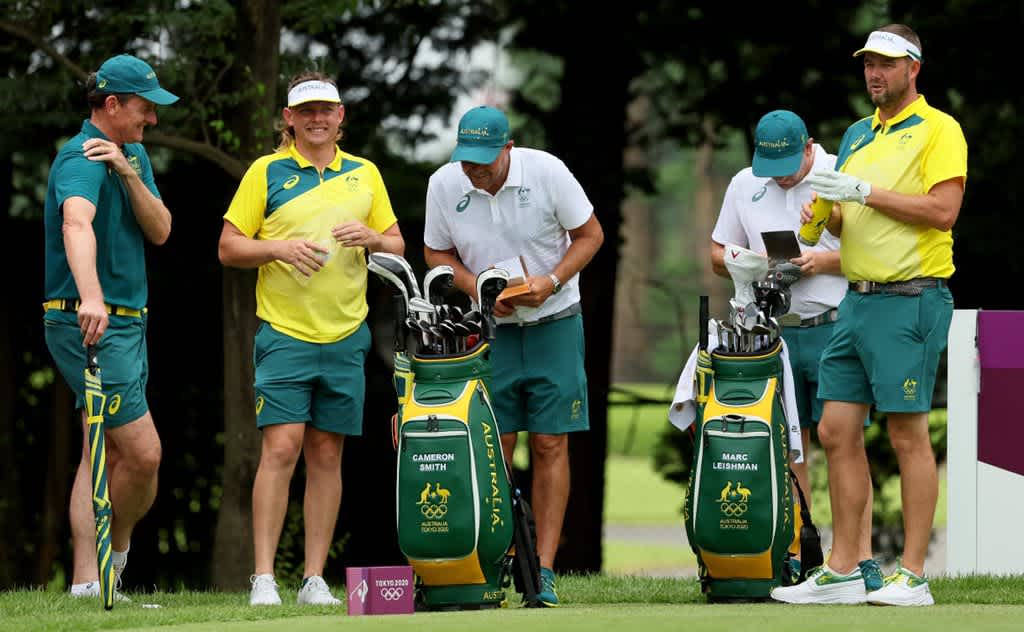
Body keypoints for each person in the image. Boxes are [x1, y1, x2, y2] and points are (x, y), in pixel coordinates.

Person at [772, 25, 967, 607]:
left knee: (907, 434)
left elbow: (942, 211)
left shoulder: (940, 130)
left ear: (913, 68)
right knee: (834, 430)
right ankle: (847, 566)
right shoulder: (858, 133)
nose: (873, 74)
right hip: (854, 302)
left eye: (885, 64)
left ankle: (912, 574)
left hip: (911, 299)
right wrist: (825, 214)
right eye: (867, 65)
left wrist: (863, 191)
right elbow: (847, 218)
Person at [218, 71, 405, 606]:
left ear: (340, 117)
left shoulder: (364, 174)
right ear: (289, 119)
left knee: (327, 454)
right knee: (281, 447)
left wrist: (372, 238)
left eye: (327, 110)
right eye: (307, 111)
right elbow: (229, 247)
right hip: (285, 332)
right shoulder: (267, 171)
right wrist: (278, 249)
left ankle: (315, 579)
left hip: (348, 334)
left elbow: (396, 243)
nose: (317, 119)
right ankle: (262, 579)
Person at [423, 105, 604, 607]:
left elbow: (591, 236)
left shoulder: (546, 171)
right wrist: (478, 288)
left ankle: (542, 569)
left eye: (484, 160)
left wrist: (550, 281)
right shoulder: (444, 183)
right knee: (493, 445)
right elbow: (436, 253)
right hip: (490, 330)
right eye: (466, 161)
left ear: (508, 148)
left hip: (555, 323)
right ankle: (496, 560)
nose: (474, 171)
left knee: (550, 444)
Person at [710, 110, 878, 586]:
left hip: (834, 323)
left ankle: (860, 559)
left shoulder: (838, 176)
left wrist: (818, 263)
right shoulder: (745, 182)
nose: (779, 175)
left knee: (843, 441)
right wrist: (750, 264)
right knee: (789, 448)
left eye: (788, 163)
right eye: (770, 164)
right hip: (772, 330)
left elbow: (876, 255)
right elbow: (717, 252)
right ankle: (801, 555)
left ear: (809, 148)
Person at [42, 53, 178, 600]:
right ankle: (112, 562)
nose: (152, 119)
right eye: (145, 108)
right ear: (113, 104)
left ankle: (87, 580)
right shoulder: (78, 157)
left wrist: (127, 169)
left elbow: (162, 230)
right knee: (143, 453)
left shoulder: (132, 156)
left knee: (101, 449)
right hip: (89, 322)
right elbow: (77, 223)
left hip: (130, 324)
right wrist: (91, 296)